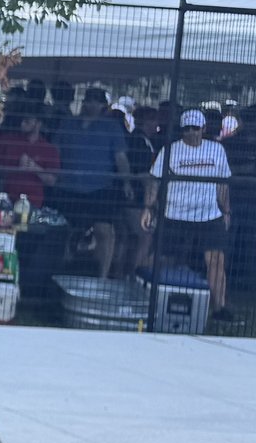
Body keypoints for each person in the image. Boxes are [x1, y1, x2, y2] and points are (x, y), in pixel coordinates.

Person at [144, 108, 233, 322]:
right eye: (187, 129)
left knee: (216, 261)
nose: (191, 133)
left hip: (209, 215)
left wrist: (226, 209)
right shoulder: (170, 150)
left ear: (204, 128)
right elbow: (154, 179)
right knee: (160, 258)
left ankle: (219, 308)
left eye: (195, 128)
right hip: (174, 214)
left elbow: (222, 183)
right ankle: (144, 291)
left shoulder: (217, 150)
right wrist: (148, 207)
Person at [52, 88, 132, 277]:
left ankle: (102, 277)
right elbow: (55, 151)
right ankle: (60, 273)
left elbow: (121, 158)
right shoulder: (68, 123)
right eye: (89, 100)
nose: (92, 104)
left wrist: (127, 183)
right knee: (64, 231)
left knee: (105, 232)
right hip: (68, 186)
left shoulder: (112, 127)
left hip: (100, 188)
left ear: (103, 105)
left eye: (97, 101)